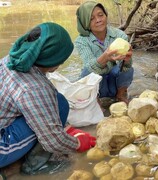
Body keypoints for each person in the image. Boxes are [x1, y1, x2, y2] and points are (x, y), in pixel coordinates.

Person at [0, 22, 96, 179]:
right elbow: (52, 140)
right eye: (61, 59)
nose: (61, 63)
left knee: (58, 101)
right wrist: (77, 143)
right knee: (59, 108)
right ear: (53, 61)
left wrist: (66, 128)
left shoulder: (15, 57)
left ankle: (17, 157)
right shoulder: (34, 87)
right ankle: (33, 167)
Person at [74, 0, 134, 104]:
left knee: (129, 68)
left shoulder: (120, 35)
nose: (98, 20)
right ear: (84, 22)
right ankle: (95, 101)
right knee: (86, 71)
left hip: (114, 82)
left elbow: (125, 68)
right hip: (97, 86)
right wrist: (105, 57)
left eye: (100, 15)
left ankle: (120, 95)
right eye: (91, 18)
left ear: (105, 15)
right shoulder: (81, 41)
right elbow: (90, 67)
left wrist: (127, 60)